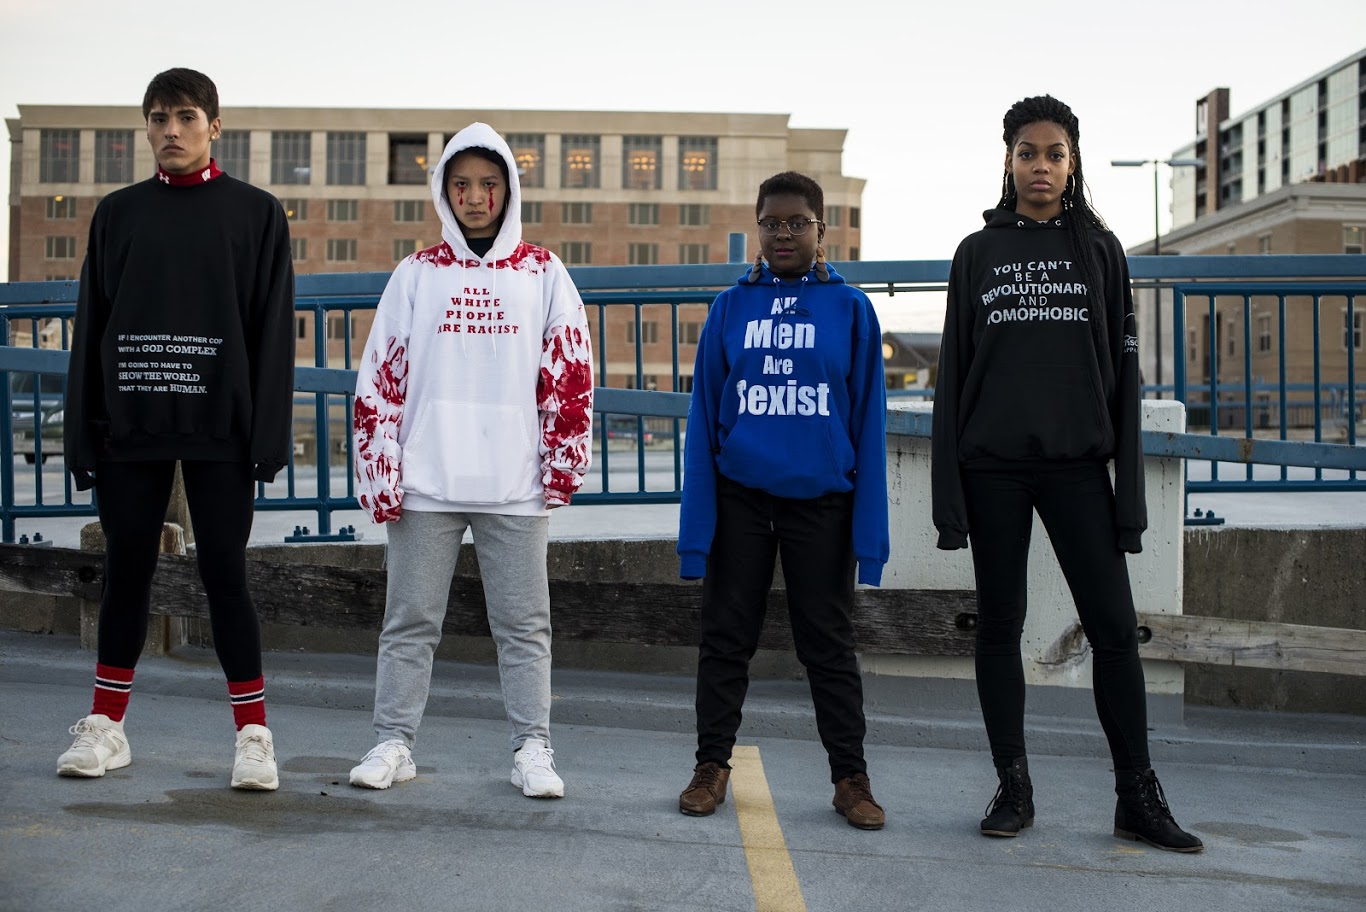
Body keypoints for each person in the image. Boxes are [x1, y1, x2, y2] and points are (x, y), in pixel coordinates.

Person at [931, 95, 1203, 852]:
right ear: (1009, 161)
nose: (1041, 166)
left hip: (1079, 468)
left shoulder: (1101, 251)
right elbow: (953, 374)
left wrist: (1128, 498)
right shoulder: (976, 253)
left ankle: (1137, 798)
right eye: (1028, 153)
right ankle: (1013, 788)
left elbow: (1124, 377)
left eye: (1054, 153)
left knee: (1114, 629)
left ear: (1072, 163)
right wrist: (950, 499)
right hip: (993, 469)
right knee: (1000, 625)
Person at [59, 68, 295, 790]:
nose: (171, 130)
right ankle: (106, 726)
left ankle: (253, 736)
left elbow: (272, 330)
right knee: (126, 569)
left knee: (225, 571)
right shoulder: (118, 213)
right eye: (159, 118)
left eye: (186, 116)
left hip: (220, 425)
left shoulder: (256, 213)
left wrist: (267, 435)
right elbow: (92, 325)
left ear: (214, 127)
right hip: (131, 422)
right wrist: (81, 433)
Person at [348, 123, 593, 797]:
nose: (476, 197)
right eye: (461, 184)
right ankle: (393, 742)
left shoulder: (542, 271)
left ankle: (533, 748)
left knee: (524, 626)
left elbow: (570, 370)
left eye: (489, 184)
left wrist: (561, 464)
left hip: (515, 482)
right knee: (409, 621)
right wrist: (381, 470)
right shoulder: (417, 273)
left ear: (508, 190)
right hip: (427, 480)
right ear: (444, 190)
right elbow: (381, 373)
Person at [676, 172, 890, 829]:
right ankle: (711, 766)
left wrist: (870, 542)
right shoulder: (729, 308)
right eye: (771, 222)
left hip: (821, 502)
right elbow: (704, 421)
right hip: (742, 498)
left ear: (822, 230)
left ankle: (850, 779)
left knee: (828, 645)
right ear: (758, 229)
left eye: (798, 222)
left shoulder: (850, 309)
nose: (784, 233)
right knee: (725, 638)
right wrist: (695, 538)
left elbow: (868, 425)